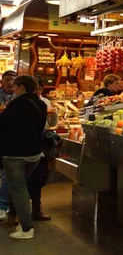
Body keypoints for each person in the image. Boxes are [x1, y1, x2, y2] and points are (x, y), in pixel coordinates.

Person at [0, 75, 47, 239]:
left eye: (15, 86)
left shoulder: (15, 105)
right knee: (21, 188)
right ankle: (15, 216)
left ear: (21, 88)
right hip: (34, 154)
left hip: (15, 154)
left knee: (18, 189)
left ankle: (27, 229)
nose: (13, 89)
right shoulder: (41, 104)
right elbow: (41, 128)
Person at [25, 82, 59, 221]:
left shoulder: (45, 102)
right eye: (35, 89)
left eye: (40, 89)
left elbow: (51, 124)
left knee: (39, 177)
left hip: (41, 142)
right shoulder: (23, 102)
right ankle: (16, 210)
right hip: (26, 143)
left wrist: (54, 114)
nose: (38, 92)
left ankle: (37, 209)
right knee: (22, 178)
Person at [0, 70, 17, 221]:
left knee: (7, 173)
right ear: (2, 82)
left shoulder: (20, 97)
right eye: (7, 80)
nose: (10, 82)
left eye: (13, 80)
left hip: (13, 140)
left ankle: (3, 206)